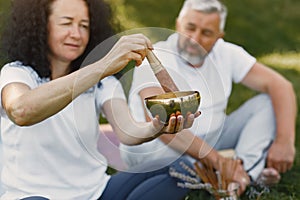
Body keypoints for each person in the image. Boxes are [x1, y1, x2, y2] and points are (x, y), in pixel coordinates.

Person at [0, 0, 200, 199]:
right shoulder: (17, 73)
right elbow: (21, 111)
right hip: (32, 195)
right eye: (66, 23)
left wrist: (157, 127)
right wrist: (102, 66)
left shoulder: (101, 83)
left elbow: (128, 131)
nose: (76, 34)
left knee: (180, 169)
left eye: (84, 25)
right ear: (42, 25)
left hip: (95, 193)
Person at [120, 0, 297, 195]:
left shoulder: (226, 53)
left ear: (219, 36)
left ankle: (242, 173)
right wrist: (219, 161)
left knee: (266, 103)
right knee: (172, 164)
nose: (195, 38)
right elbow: (163, 127)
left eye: (206, 33)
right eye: (190, 28)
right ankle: (240, 175)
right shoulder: (156, 57)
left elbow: (281, 86)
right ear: (178, 24)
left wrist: (284, 141)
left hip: (213, 140)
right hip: (162, 149)